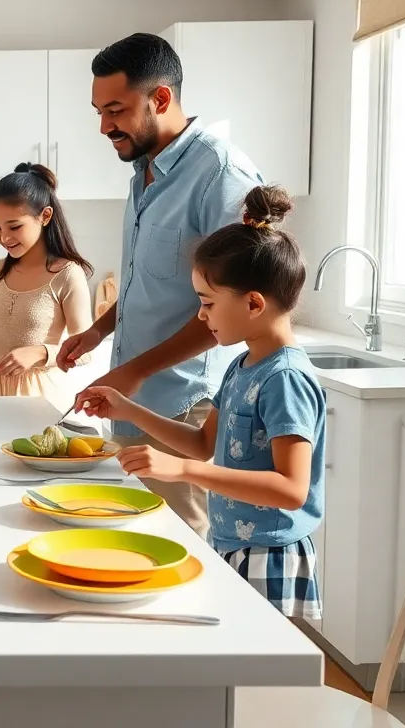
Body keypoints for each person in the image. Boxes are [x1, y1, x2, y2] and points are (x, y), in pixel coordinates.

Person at [76, 186, 324, 620]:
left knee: (252, 682)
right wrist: (128, 408)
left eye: (207, 303)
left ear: (253, 303)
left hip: (269, 556)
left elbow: (291, 489)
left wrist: (185, 472)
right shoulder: (243, 365)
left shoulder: (285, 378)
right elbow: (201, 444)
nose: (202, 316)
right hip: (231, 543)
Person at [58, 33, 263, 540]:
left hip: (182, 404)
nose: (105, 126)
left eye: (115, 110)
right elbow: (144, 280)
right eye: (98, 111)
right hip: (131, 393)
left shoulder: (221, 174)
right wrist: (99, 332)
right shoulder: (144, 170)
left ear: (161, 99)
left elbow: (233, 312)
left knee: (179, 546)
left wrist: (133, 372)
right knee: (129, 539)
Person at [0, 163, 94, 412]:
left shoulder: (67, 274)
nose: (4, 237)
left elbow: (85, 350)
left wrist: (40, 353)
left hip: (42, 398)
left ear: (45, 216)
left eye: (14, 226)